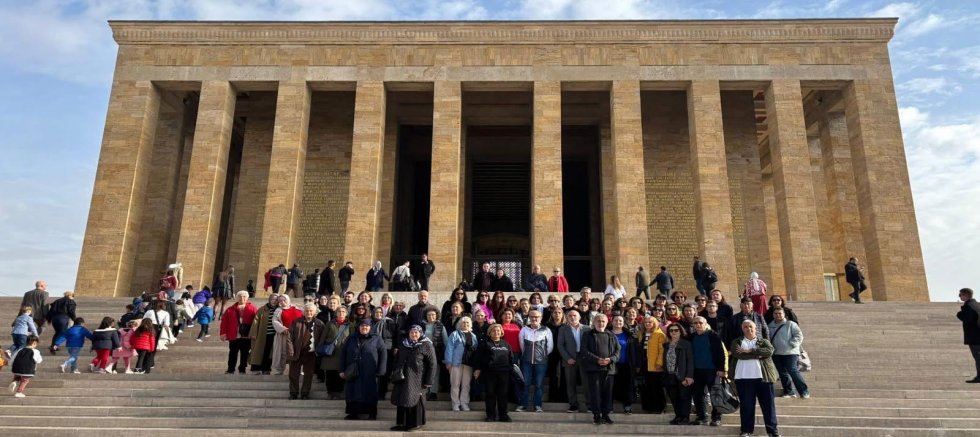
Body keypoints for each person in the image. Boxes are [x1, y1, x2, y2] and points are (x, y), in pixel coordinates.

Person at [730, 320, 781, 437]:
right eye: (746, 327)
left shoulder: (764, 341)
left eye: (751, 327)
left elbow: (769, 351)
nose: (749, 329)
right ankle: (746, 430)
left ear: (755, 328)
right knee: (746, 406)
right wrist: (758, 355)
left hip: (764, 379)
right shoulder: (737, 342)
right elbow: (738, 354)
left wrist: (750, 350)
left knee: (768, 406)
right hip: (743, 379)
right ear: (742, 329)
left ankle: (772, 431)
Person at [390, 325, 438, 432]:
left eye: (416, 332)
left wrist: (428, 381)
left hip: (418, 379)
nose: (414, 334)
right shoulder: (403, 344)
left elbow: (432, 364)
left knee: (415, 400)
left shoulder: (426, 345)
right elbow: (397, 359)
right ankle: (402, 423)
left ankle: (415, 424)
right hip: (402, 378)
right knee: (401, 399)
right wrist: (395, 372)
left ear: (420, 333)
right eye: (412, 332)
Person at [341, 319, 387, 420]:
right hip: (353, 370)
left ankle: (371, 413)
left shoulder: (377, 338)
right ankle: (353, 413)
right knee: (353, 391)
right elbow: (343, 353)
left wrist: (381, 370)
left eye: (366, 326)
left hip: (370, 371)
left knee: (369, 392)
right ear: (358, 327)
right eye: (362, 326)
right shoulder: (351, 337)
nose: (364, 328)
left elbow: (383, 354)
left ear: (370, 327)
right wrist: (342, 370)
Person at [580, 313, 619, 425]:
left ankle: (606, 415)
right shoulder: (587, 334)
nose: (601, 323)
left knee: (608, 393)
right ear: (594, 322)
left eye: (603, 321)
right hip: (594, 369)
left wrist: (610, 359)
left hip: (609, 369)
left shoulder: (611, 335)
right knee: (595, 393)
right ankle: (597, 415)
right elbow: (584, 350)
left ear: (607, 323)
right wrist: (597, 359)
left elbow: (617, 351)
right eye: (598, 321)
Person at [689, 316, 728, 426]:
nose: (698, 325)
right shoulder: (691, 337)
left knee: (715, 395)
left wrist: (721, 369)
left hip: (712, 370)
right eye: (695, 323)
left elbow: (721, 353)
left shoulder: (713, 336)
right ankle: (701, 417)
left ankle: (716, 418)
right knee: (698, 395)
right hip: (696, 371)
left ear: (705, 324)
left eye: (700, 322)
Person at [473, 324, 513, 422]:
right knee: (490, 394)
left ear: (501, 332)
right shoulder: (485, 344)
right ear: (490, 333)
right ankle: (490, 415)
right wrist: (477, 369)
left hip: (504, 373)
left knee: (503, 394)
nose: (496, 333)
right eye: (494, 331)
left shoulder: (506, 344)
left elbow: (511, 358)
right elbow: (478, 357)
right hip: (489, 373)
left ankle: (503, 415)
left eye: (498, 331)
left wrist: (510, 369)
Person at [516, 309, 553, 412]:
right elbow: (522, 345)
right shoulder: (524, 330)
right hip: (526, 361)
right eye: (532, 317)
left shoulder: (546, 330)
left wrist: (542, 356)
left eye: (536, 317)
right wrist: (527, 356)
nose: (534, 319)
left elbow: (550, 347)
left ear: (540, 318)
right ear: (529, 318)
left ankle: (537, 405)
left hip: (541, 362)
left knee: (539, 384)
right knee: (526, 384)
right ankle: (523, 405)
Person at [286, 303, 325, 400]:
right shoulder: (296, 322)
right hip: (297, 352)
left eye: (311, 311)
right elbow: (289, 338)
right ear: (304, 312)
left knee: (308, 374)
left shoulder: (319, 324)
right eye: (307, 311)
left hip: (311, 354)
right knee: (293, 374)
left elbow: (322, 339)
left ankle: (305, 393)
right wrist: (291, 351)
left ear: (315, 312)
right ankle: (293, 393)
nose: (309, 312)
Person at [768, 307, 808, 398]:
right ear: (773, 315)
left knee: (792, 370)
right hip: (777, 353)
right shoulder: (770, 326)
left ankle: (804, 391)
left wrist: (791, 344)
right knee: (782, 373)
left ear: (784, 314)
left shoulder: (791, 324)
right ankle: (788, 391)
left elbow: (799, 335)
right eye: (776, 313)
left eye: (780, 313)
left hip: (790, 352)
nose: (778, 315)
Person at [663, 322, 694, 425]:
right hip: (670, 375)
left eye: (676, 330)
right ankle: (678, 416)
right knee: (674, 397)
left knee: (684, 397)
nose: (673, 332)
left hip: (682, 375)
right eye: (671, 330)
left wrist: (689, 376)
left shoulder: (686, 344)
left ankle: (685, 417)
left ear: (681, 331)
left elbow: (690, 360)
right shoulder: (667, 345)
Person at [557, 309, 588, 412]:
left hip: (584, 359)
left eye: (574, 315)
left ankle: (590, 404)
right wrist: (567, 358)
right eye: (570, 316)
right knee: (570, 383)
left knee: (587, 382)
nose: (572, 317)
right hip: (569, 358)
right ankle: (573, 405)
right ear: (567, 317)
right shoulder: (563, 329)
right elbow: (560, 345)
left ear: (579, 317)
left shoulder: (587, 329)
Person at [444, 316, 478, 411]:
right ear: (460, 324)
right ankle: (455, 404)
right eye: (463, 323)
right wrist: (448, 362)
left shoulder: (473, 336)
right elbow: (449, 348)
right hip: (456, 363)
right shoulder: (454, 334)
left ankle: (464, 403)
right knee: (455, 384)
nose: (465, 325)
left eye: (467, 323)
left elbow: (475, 350)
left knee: (466, 384)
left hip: (468, 364)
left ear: (470, 324)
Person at [219, 291, 257, 374]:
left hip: (246, 336)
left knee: (245, 353)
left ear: (247, 298)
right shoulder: (230, 309)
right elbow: (224, 322)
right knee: (233, 353)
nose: (241, 298)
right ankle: (231, 369)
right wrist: (223, 333)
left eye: (244, 296)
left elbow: (256, 323)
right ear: (237, 298)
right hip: (234, 335)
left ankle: (242, 369)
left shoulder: (253, 308)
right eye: (239, 296)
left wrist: (254, 333)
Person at [320, 306, 351, 399]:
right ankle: (330, 392)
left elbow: (352, 339)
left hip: (343, 354)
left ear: (346, 314)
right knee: (330, 374)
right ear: (336, 313)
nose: (341, 313)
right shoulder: (330, 324)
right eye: (339, 312)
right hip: (330, 353)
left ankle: (338, 392)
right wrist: (320, 349)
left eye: (343, 312)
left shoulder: (350, 325)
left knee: (340, 374)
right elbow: (323, 337)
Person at [609, 315, 638, 414]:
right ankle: (609, 406)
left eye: (620, 320)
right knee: (610, 386)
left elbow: (634, 351)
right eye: (615, 320)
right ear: (612, 322)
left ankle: (627, 406)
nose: (618, 322)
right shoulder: (607, 333)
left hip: (626, 364)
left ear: (623, 322)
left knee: (627, 386)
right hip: (610, 364)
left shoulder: (629, 335)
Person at [638, 315, 666, 414]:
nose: (647, 324)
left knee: (656, 387)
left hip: (655, 365)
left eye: (650, 322)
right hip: (644, 364)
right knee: (646, 386)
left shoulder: (659, 334)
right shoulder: (641, 334)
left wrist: (659, 363)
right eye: (646, 322)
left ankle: (659, 407)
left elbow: (662, 351)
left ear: (655, 323)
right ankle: (648, 407)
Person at [272, 295, 303, 375]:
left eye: (284, 300)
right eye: (280, 301)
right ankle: (280, 370)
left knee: (297, 352)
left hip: (296, 335)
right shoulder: (278, 310)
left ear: (288, 300)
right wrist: (283, 329)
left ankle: (297, 370)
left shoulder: (297, 308)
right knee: (283, 352)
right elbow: (275, 321)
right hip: (284, 335)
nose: (282, 302)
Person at [248, 294, 280, 374]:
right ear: (269, 299)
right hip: (262, 335)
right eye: (273, 299)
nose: (274, 301)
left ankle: (266, 369)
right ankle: (255, 369)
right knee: (258, 352)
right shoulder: (262, 309)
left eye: (276, 300)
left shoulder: (279, 310)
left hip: (274, 336)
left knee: (269, 353)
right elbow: (255, 321)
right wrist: (254, 333)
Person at [372, 307, 398, 400]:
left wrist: (396, 346)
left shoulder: (389, 322)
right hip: (372, 350)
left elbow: (395, 335)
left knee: (384, 372)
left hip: (387, 349)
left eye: (380, 312)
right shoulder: (369, 323)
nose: (378, 313)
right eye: (376, 312)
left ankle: (381, 393)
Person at [422, 308, 447, 400]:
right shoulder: (422, 326)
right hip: (423, 353)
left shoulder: (441, 326)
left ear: (436, 316)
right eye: (429, 315)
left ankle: (433, 392)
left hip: (436, 352)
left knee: (435, 373)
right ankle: (424, 391)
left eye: (433, 315)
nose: (431, 316)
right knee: (423, 371)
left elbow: (446, 341)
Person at [544, 307, 567, 405]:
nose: (557, 314)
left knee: (564, 375)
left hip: (564, 353)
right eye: (555, 312)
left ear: (562, 315)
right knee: (553, 375)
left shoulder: (566, 326)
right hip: (551, 353)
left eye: (559, 312)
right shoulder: (546, 326)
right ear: (552, 315)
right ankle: (552, 397)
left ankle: (563, 397)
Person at [957, 288, 980, 383]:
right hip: (976, 336)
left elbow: (969, 319)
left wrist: (960, 314)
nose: (959, 296)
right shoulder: (976, 305)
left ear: (966, 295)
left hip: (975, 337)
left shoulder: (970, 306)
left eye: (960, 295)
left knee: (978, 357)